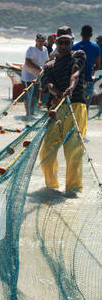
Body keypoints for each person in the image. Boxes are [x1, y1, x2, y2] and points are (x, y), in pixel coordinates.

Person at [39, 26, 87, 196]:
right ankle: (52, 187)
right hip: (56, 109)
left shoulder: (78, 55)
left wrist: (71, 87)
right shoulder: (49, 65)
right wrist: (56, 92)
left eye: (67, 42)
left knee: (73, 150)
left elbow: (76, 72)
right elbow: (49, 84)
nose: (64, 45)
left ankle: (73, 189)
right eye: (61, 42)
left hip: (76, 106)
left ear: (72, 42)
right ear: (56, 42)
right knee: (46, 151)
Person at [72, 25, 101, 109]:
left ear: (81, 34)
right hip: (88, 81)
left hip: (75, 82)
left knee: (75, 107)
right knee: (85, 107)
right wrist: (91, 71)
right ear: (91, 35)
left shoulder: (74, 47)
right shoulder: (96, 48)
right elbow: (97, 66)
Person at [21, 34, 49, 118]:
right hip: (27, 76)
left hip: (37, 77)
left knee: (34, 96)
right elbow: (27, 62)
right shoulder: (31, 48)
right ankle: (27, 113)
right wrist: (38, 68)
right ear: (36, 41)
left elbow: (46, 62)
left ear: (44, 42)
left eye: (42, 41)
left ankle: (31, 112)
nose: (40, 42)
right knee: (28, 95)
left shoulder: (45, 49)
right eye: (39, 41)